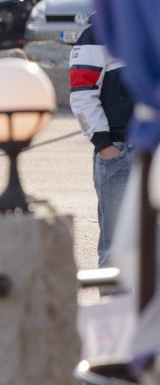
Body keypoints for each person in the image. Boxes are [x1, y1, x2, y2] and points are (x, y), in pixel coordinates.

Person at [69, 19, 134, 266]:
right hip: (120, 152)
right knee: (116, 247)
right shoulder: (96, 34)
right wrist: (104, 143)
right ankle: (116, 306)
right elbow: (82, 94)